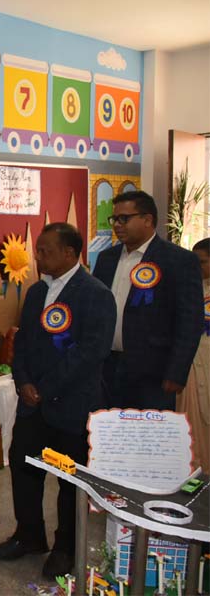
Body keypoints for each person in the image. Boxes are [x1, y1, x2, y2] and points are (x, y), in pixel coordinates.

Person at [0, 223, 116, 579]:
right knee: (23, 468)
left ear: (69, 253)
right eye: (38, 250)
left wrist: (45, 386)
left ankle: (65, 548)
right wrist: (23, 381)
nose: (38, 256)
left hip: (72, 404)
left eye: (45, 251)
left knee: (70, 481)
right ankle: (29, 535)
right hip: (33, 404)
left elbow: (91, 352)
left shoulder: (96, 294)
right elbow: (22, 342)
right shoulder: (36, 292)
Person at [92, 190, 203, 411]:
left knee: (148, 431)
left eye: (124, 218)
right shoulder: (107, 258)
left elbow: (190, 322)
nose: (117, 225)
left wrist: (176, 372)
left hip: (154, 372)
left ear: (147, 219)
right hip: (107, 366)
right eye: (114, 219)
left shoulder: (178, 260)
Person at [178, 238, 209, 471]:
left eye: (202, 262)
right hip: (192, 366)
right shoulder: (189, 289)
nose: (197, 268)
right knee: (192, 424)